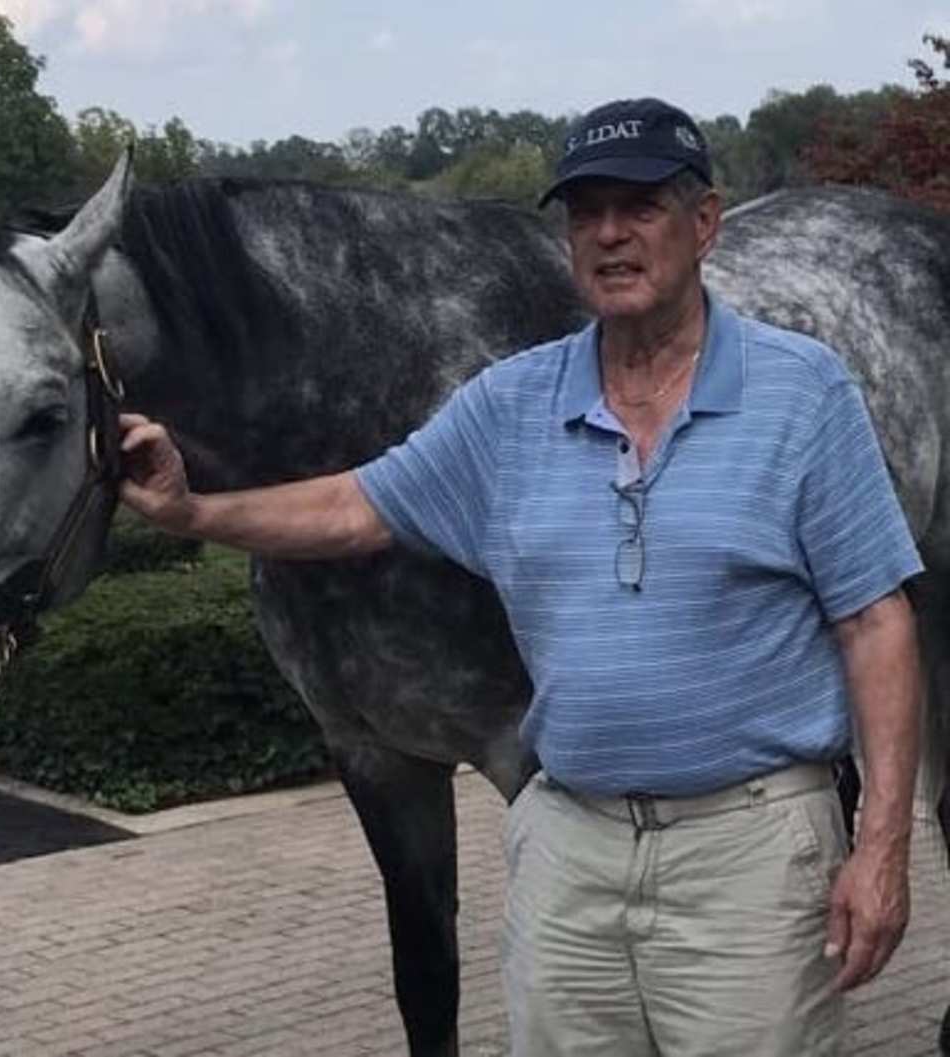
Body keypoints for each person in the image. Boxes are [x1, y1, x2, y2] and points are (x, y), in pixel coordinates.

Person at [117, 97, 922, 1056]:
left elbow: (876, 622)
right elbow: (355, 507)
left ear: (705, 222)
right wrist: (194, 511)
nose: (612, 235)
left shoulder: (804, 390)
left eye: (643, 206)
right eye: (588, 212)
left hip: (749, 853)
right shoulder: (511, 399)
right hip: (569, 854)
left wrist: (880, 845)